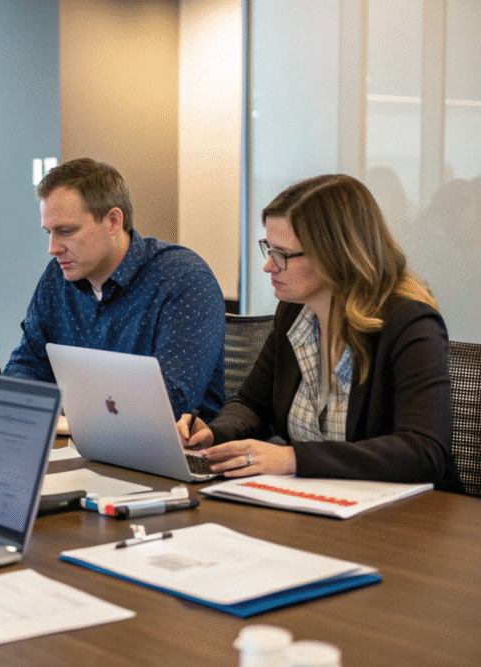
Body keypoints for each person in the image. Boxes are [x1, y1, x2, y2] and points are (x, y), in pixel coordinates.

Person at [179, 174, 460, 490]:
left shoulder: (409, 324)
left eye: (282, 254)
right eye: (268, 249)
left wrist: (293, 458)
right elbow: (252, 403)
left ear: (334, 254)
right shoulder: (293, 312)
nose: (269, 266)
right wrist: (214, 433)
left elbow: (424, 451)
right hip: (315, 500)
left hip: (409, 512)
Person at [4, 157, 226, 420]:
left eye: (66, 231)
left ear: (113, 221)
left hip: (168, 442)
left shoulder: (183, 279)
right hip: (77, 437)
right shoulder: (57, 276)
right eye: (48, 232)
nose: (53, 248)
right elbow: (25, 365)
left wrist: (58, 404)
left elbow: (169, 400)